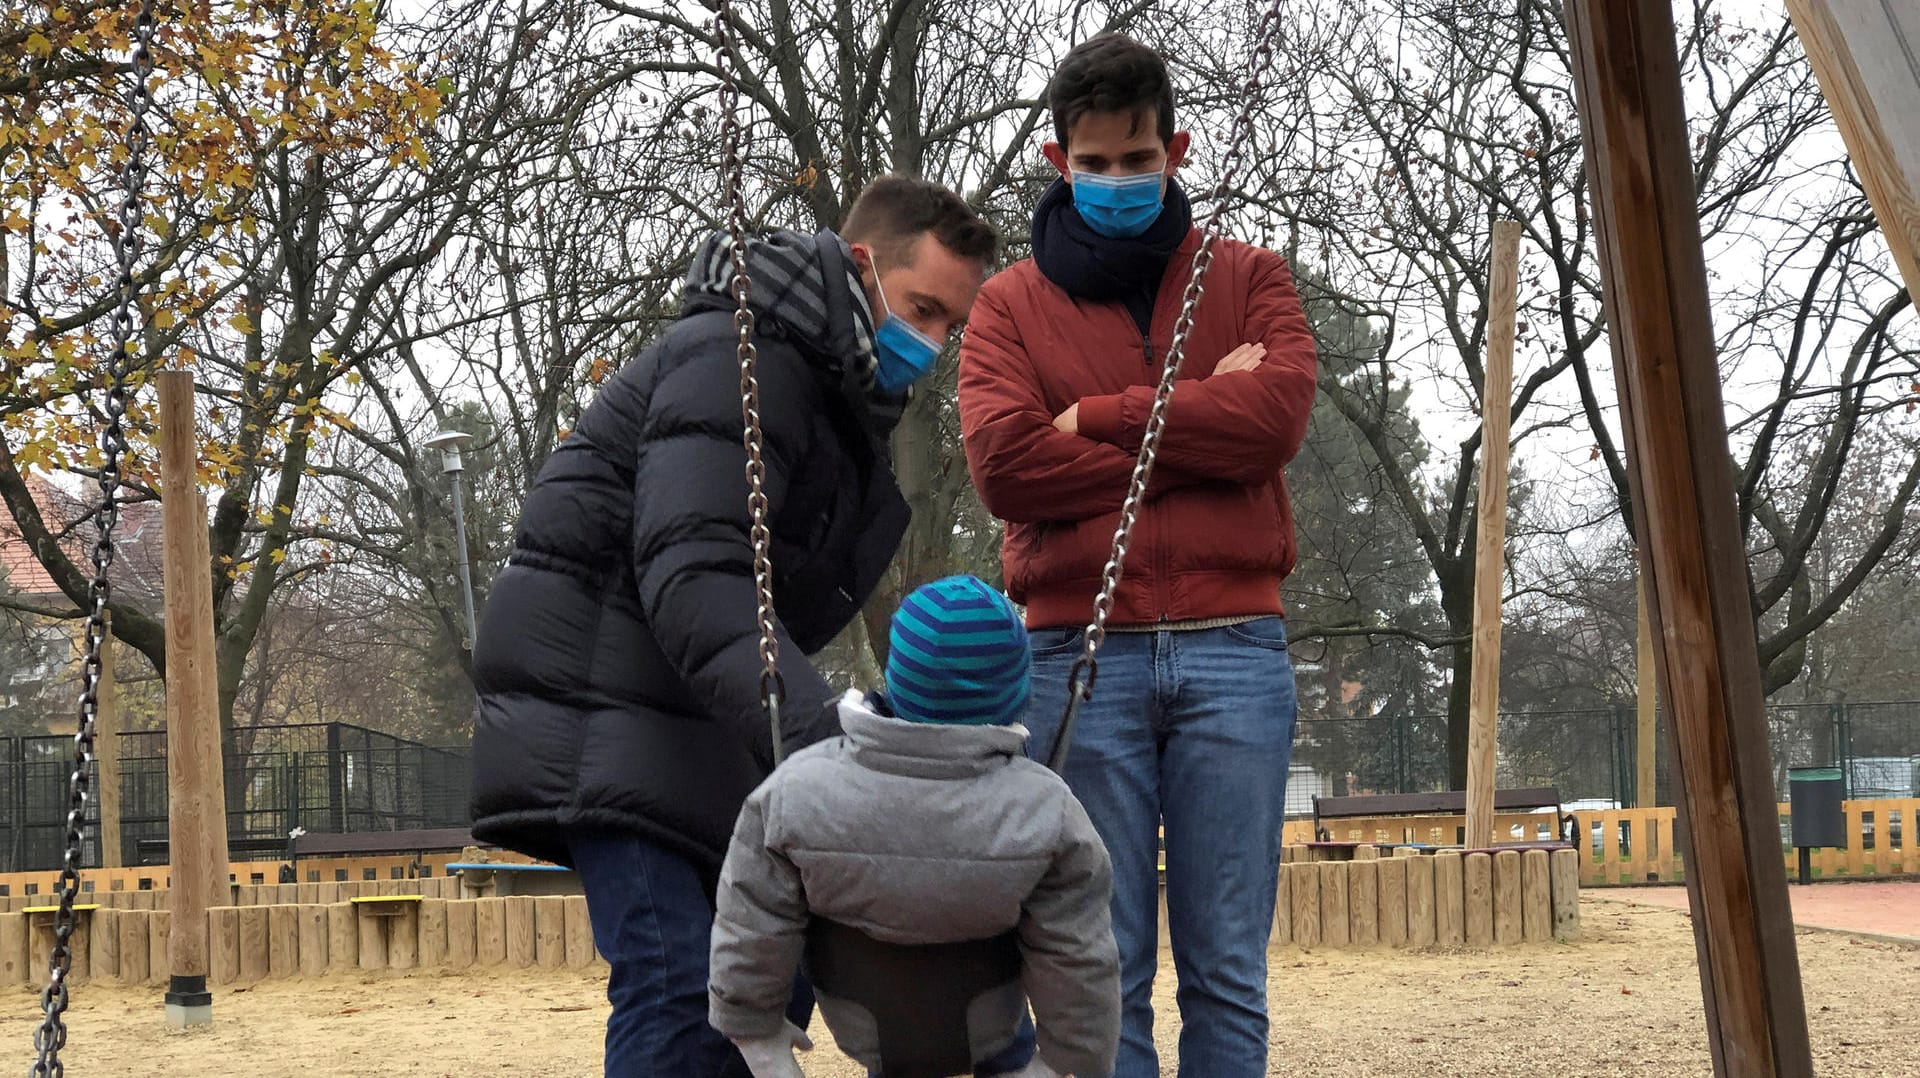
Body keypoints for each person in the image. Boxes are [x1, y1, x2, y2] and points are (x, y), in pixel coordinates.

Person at [469, 175, 998, 1078]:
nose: (933, 343)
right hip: (602, 698)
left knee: (756, 971)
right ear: (861, 267)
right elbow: (696, 569)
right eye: (922, 309)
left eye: (951, 323)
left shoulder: (822, 381)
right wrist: (818, 733)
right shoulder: (741, 352)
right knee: (681, 977)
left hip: (677, 705)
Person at [955, 32, 1318, 1078]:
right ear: (1058, 160)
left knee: (1227, 970)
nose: (1119, 178)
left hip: (1236, 650)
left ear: (1178, 149)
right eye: (1097, 161)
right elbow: (1006, 468)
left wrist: (1100, 417)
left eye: (1139, 157)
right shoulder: (1008, 307)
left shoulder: (1247, 278)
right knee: (1097, 968)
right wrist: (1195, 435)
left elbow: (1279, 418)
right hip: (1080, 654)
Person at [708, 574, 1119, 1078]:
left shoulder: (796, 790)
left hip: (861, 1021)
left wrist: (755, 1030)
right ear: (1015, 693)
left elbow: (750, 915)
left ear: (896, 679)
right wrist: (1066, 1060)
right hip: (989, 1026)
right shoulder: (1046, 808)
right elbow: (1077, 954)